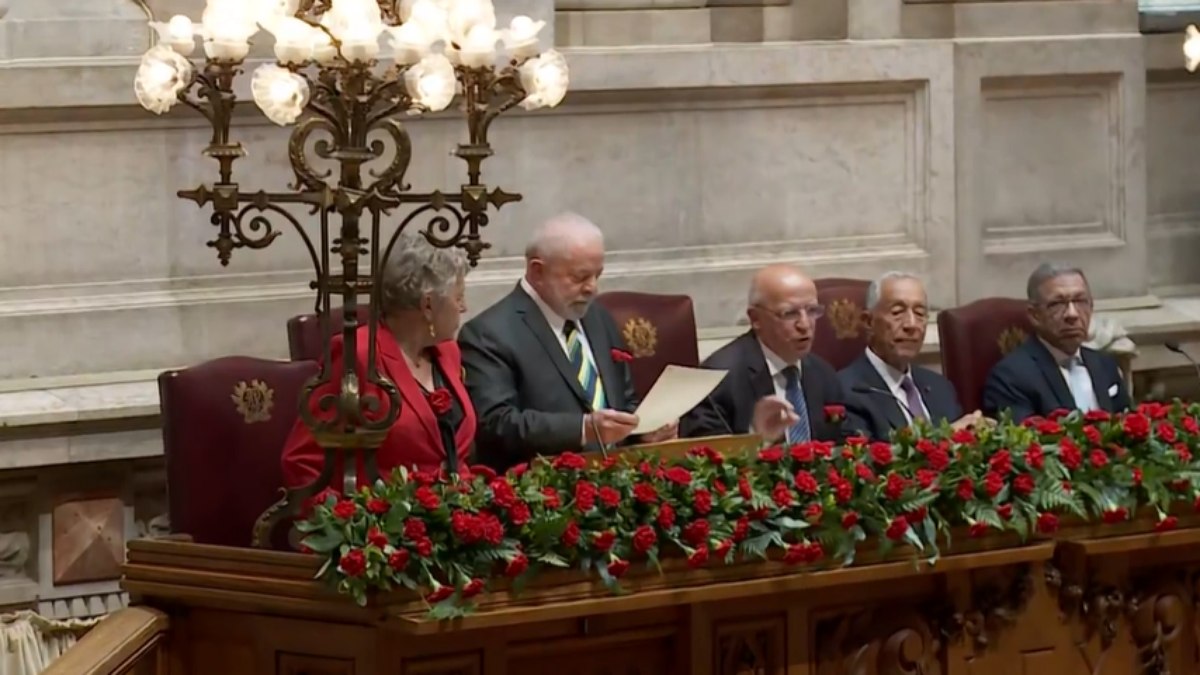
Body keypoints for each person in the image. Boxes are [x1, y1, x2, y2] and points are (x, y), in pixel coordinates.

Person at [459, 212, 677, 470]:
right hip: (542, 489)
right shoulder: (488, 334)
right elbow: (496, 424)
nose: (592, 288)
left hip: (618, 479)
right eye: (579, 277)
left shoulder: (597, 316)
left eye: (598, 275)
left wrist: (643, 428)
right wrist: (582, 429)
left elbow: (623, 399)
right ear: (537, 271)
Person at [281, 234, 474, 488]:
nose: (464, 308)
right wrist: (346, 522)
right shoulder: (358, 356)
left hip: (456, 514)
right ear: (427, 305)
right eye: (458, 297)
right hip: (385, 520)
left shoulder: (447, 352)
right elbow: (302, 460)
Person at [681, 264, 850, 443]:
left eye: (812, 311)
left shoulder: (823, 373)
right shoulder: (717, 380)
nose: (805, 325)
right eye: (790, 313)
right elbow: (706, 462)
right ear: (756, 319)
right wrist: (757, 436)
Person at [838, 272, 981, 440]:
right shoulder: (845, 391)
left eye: (920, 313)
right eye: (898, 312)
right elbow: (868, 460)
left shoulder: (940, 387)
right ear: (868, 321)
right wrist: (945, 438)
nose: (911, 325)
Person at [982, 263, 1131, 422]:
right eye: (1057, 304)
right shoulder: (1011, 377)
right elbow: (1024, 442)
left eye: (1080, 301)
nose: (1072, 314)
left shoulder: (1104, 364)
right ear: (1035, 315)